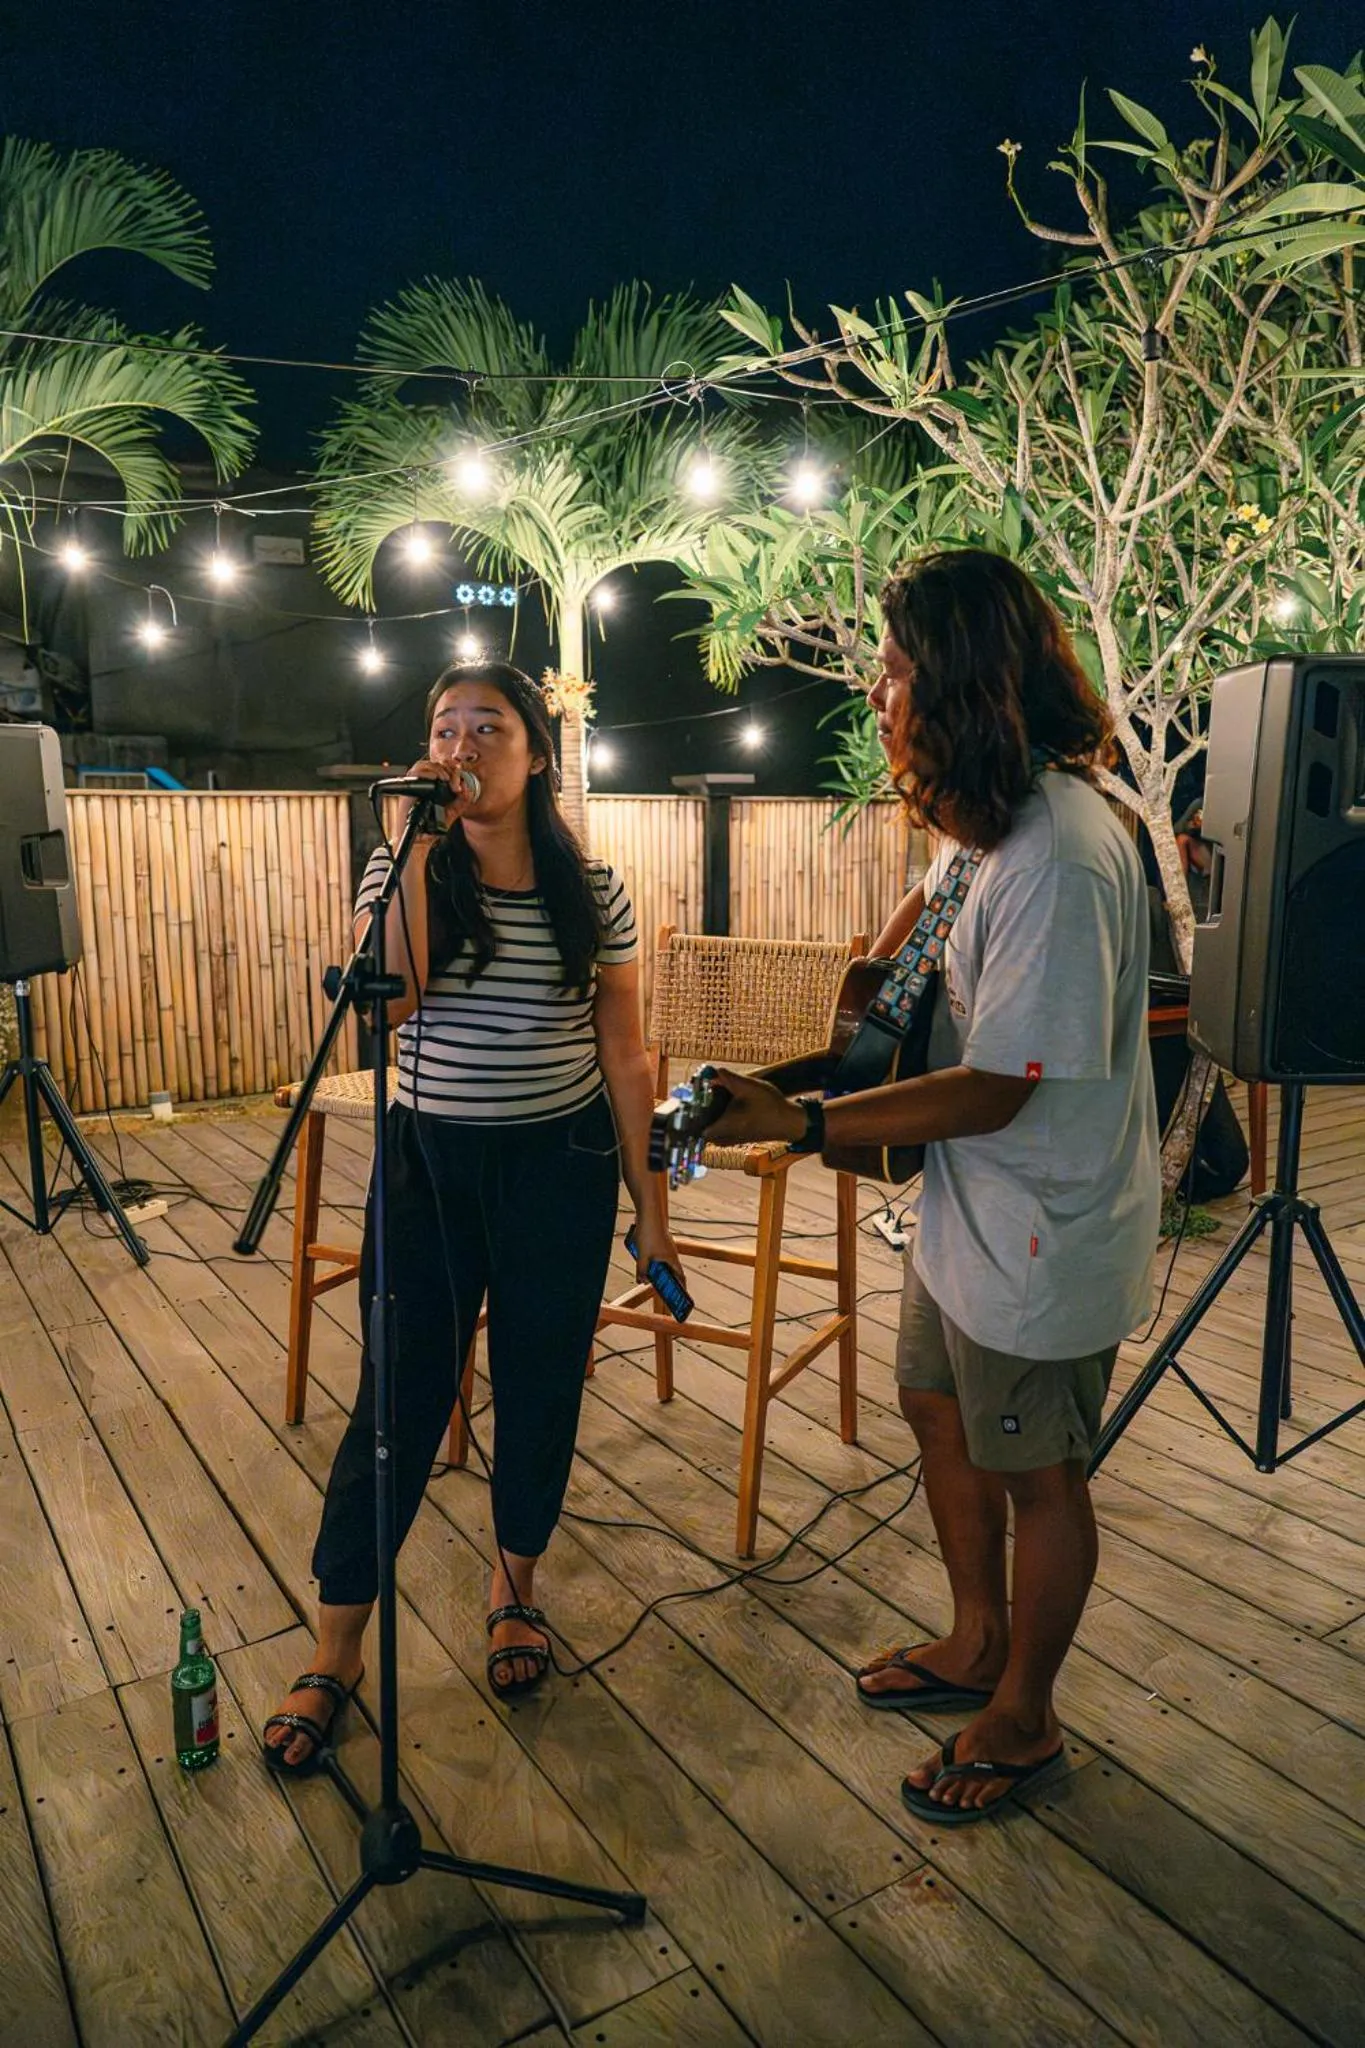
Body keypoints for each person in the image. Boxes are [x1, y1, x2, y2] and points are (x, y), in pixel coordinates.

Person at [707, 550, 1160, 1824]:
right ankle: (972, 1638)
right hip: (972, 1202)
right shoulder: (993, 820)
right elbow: (902, 955)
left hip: (1040, 1221)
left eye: (899, 669)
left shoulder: (1060, 853)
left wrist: (807, 1116)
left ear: (964, 679)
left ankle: (1025, 1710)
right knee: (929, 1399)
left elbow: (996, 1085)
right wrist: (874, 982)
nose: (878, 692)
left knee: (1042, 1471)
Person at [263, 660, 682, 1771]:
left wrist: (653, 1210)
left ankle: (515, 1584)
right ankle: (337, 1643)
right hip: (428, 1164)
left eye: (486, 726)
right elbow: (392, 1000)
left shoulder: (591, 891)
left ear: (535, 753)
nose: (459, 744)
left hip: (562, 1164)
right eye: (443, 725)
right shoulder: (397, 864)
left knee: (541, 1383)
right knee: (395, 1399)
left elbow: (626, 1053)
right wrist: (411, 844)